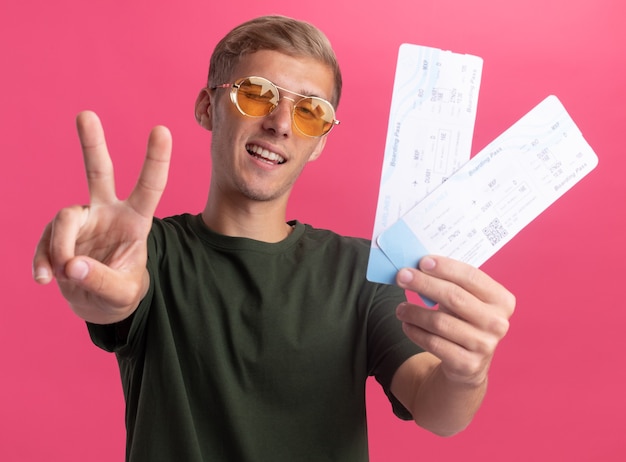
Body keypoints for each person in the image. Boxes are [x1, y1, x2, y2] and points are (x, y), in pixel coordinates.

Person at [32, 15, 515, 462]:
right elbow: (118, 296)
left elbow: (436, 408)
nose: (281, 123)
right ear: (208, 106)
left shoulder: (359, 271)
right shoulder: (148, 252)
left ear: (321, 140)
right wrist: (99, 284)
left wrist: (467, 372)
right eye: (257, 94)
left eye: (310, 111)